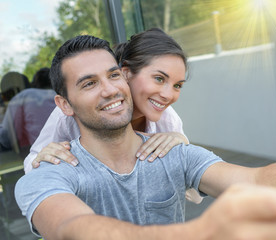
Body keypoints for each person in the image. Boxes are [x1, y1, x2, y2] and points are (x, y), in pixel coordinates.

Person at [15, 35, 276, 240]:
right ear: (64, 104)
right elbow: (73, 228)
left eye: (113, 75)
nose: (110, 89)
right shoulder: (49, 173)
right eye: (89, 83)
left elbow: (254, 179)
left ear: (124, 77)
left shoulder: (171, 146)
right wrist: (203, 232)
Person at [23, 28, 201, 203]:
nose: (168, 95)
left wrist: (182, 148)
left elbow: (194, 194)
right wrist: (44, 158)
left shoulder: (167, 119)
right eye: (159, 79)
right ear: (126, 73)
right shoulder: (71, 113)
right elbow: (33, 166)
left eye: (178, 86)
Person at [0, 68, 56, 153]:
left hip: (42, 157)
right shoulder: (61, 96)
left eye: (6, 95)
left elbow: (6, 139)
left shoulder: (23, 97)